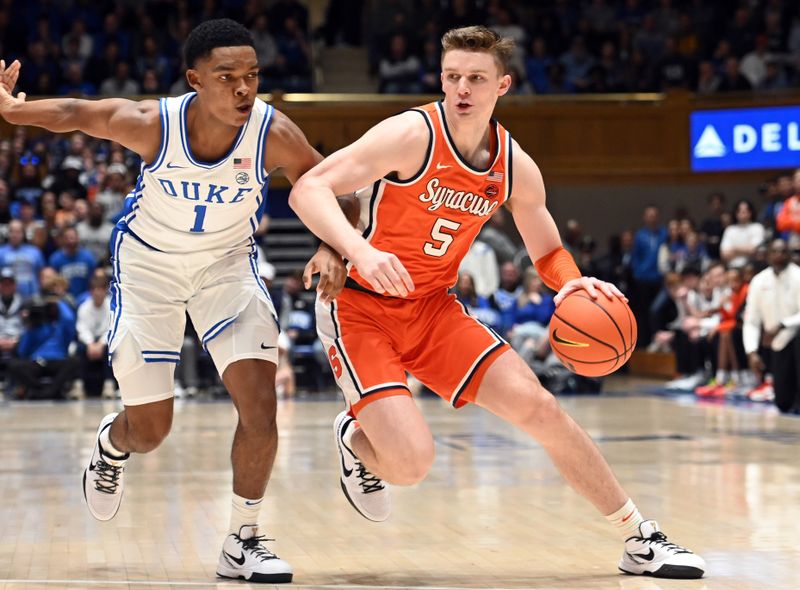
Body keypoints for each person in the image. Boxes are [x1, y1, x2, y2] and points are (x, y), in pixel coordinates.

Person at [289, 26, 705, 579]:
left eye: (476, 79)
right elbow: (308, 189)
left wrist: (571, 284)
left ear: (502, 85)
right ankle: (355, 435)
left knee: (542, 408)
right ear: (441, 79)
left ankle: (638, 537)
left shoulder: (513, 165)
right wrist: (358, 251)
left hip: (434, 309)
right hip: (361, 307)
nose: (462, 88)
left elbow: (548, 246)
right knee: (411, 465)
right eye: (452, 76)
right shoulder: (409, 134)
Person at [0, 18, 351, 584]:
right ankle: (113, 444)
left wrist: (334, 248)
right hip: (149, 271)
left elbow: (333, 185)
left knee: (260, 404)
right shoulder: (153, 124)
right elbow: (75, 114)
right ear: (194, 79)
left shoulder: (273, 131)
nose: (243, 88)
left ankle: (245, 539)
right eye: (227, 77)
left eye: (252, 76)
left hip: (226, 268)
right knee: (151, 430)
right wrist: (15, 111)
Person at [743, 239, 800, 414]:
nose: (778, 255)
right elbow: (751, 321)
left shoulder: (798, 276)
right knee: (782, 403)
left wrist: (782, 325)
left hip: (796, 336)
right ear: (767, 256)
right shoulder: (759, 281)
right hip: (776, 344)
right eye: (774, 252)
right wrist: (751, 352)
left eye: (783, 251)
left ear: (789, 255)